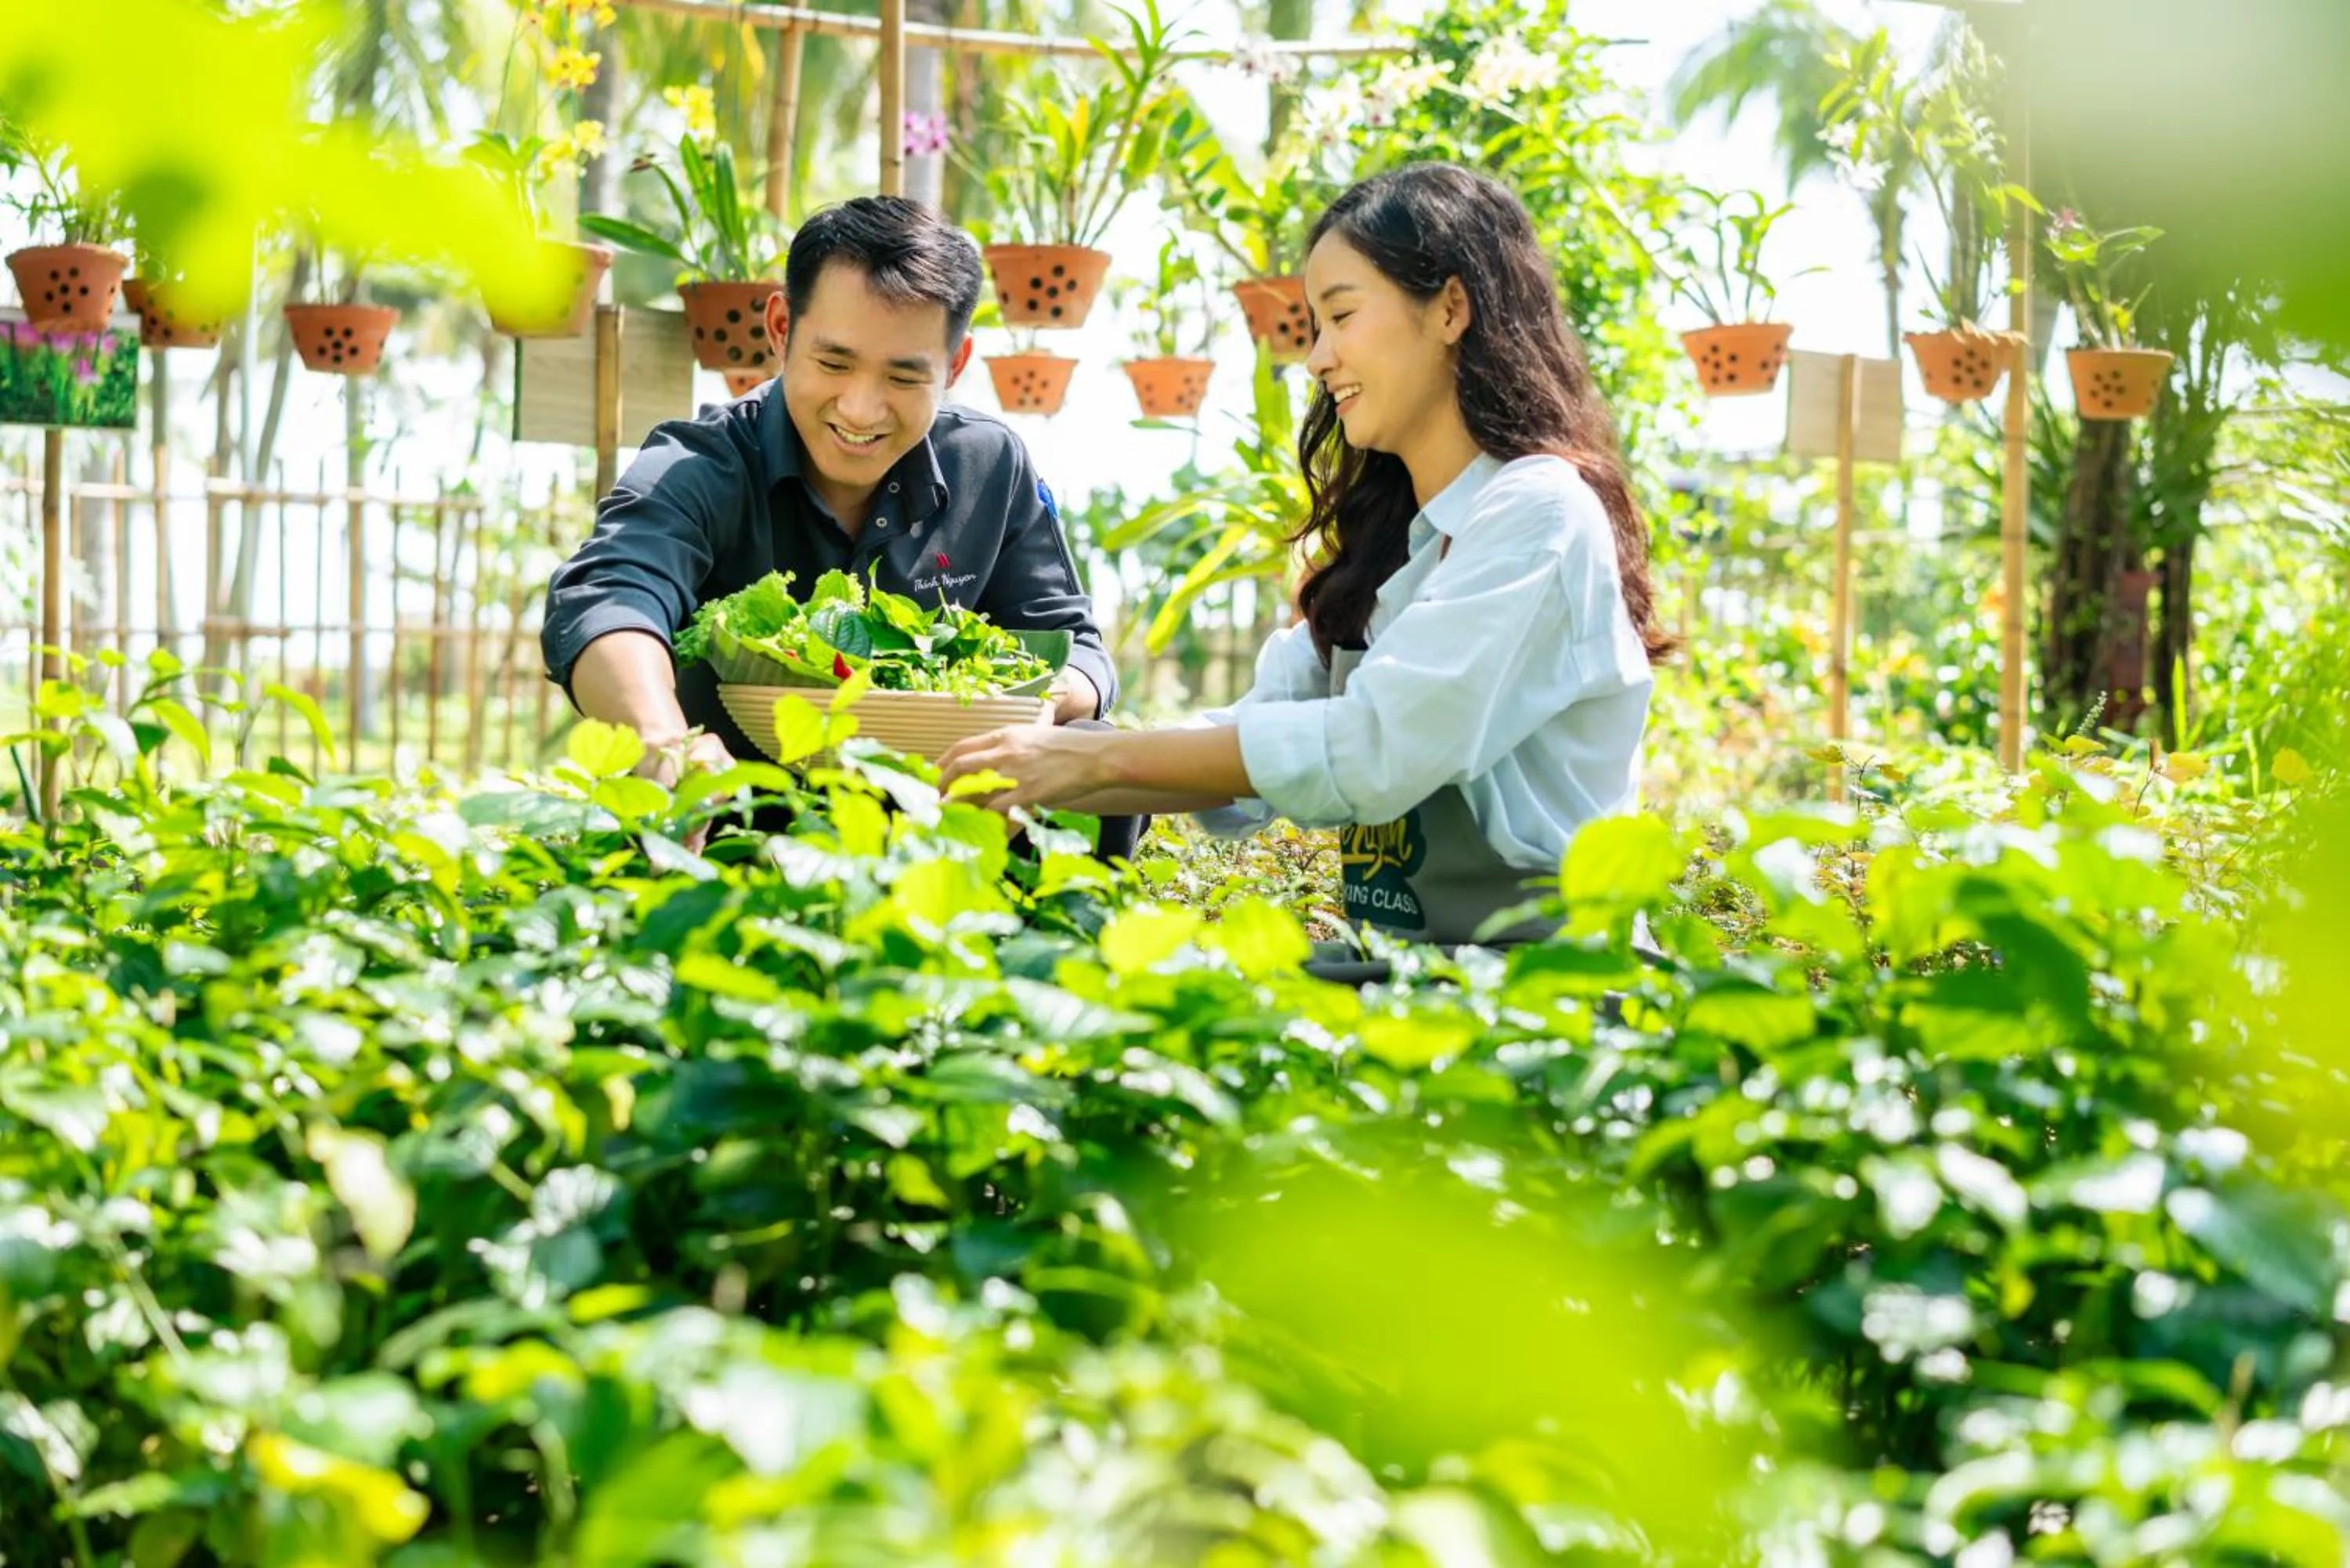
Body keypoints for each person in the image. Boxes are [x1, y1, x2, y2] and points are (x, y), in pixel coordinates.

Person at [938, 163, 1676, 952]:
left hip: (1543, 999)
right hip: (1416, 978)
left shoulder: (1539, 514)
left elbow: (1371, 748)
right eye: (1314, 327)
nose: (1318, 359)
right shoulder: (1399, 548)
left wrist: (1085, 759)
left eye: (1341, 316)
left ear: (1451, 307)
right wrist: (1017, 758)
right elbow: (1253, 737)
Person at [541, 195, 1139, 854]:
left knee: (1091, 752)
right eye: (834, 364)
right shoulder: (699, 464)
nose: (860, 409)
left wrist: (1025, 713)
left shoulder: (988, 465)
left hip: (950, 830)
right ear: (780, 328)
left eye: (904, 376)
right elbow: (609, 596)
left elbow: (1074, 644)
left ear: (956, 365)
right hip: (736, 829)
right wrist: (663, 741)